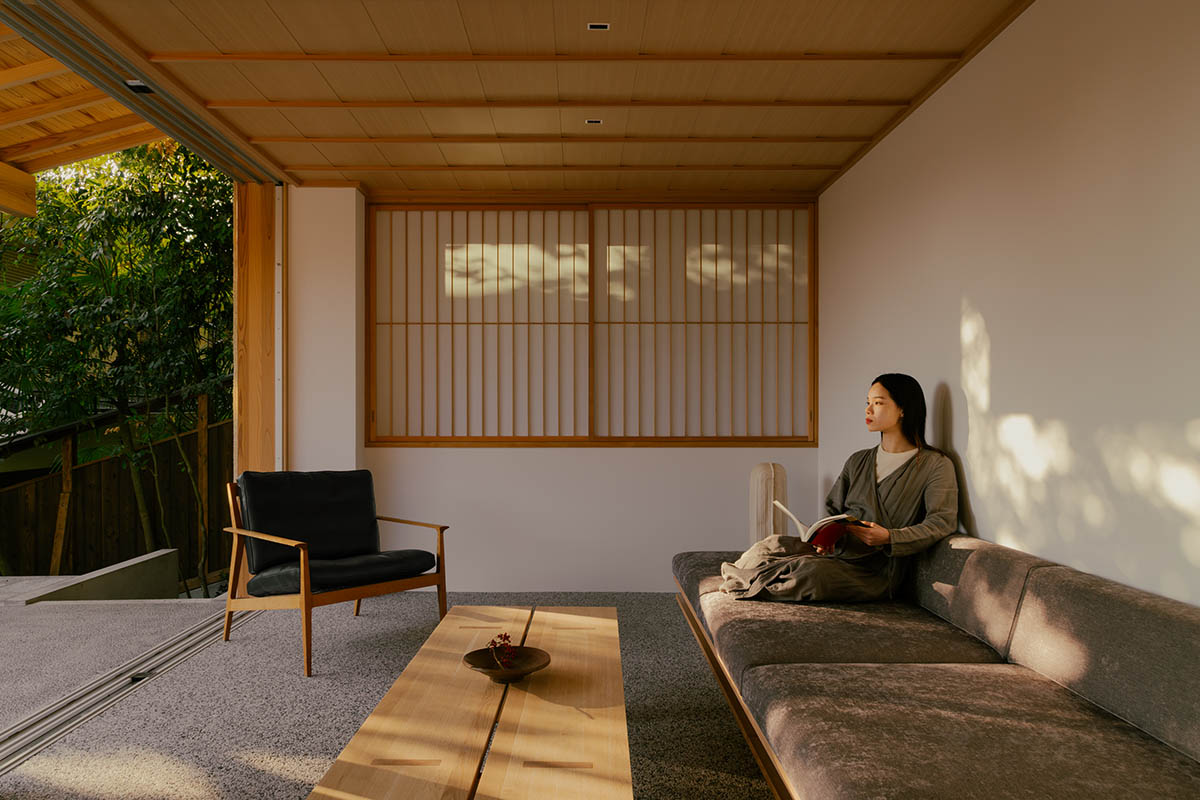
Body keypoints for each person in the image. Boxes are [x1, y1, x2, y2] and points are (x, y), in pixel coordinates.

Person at [720, 373, 959, 602]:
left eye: (878, 403)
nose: (868, 410)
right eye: (867, 402)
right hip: (839, 552)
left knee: (808, 573)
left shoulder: (935, 465)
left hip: (874, 571)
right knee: (771, 545)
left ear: (903, 409)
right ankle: (747, 577)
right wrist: (826, 538)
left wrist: (889, 537)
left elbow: (942, 522)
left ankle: (746, 582)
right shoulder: (858, 460)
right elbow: (834, 507)